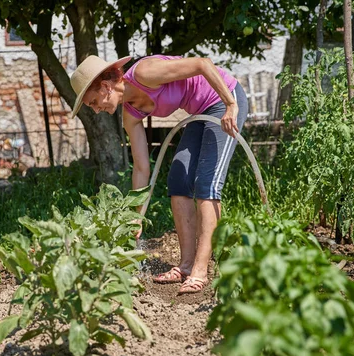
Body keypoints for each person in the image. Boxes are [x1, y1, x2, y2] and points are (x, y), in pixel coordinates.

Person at [69, 54, 248, 294]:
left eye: (92, 102)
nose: (96, 109)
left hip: (224, 99)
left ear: (105, 86)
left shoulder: (145, 73)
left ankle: (200, 270)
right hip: (199, 110)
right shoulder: (130, 115)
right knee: (178, 179)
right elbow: (142, 167)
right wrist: (137, 215)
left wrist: (231, 105)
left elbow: (202, 64)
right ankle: (185, 265)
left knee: (207, 182)